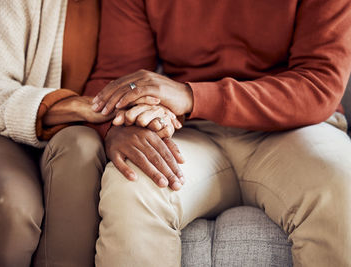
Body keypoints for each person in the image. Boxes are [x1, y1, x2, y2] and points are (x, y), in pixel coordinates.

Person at [85, 0, 351, 266]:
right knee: (131, 186)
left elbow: (318, 83)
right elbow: (116, 77)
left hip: (299, 126)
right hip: (190, 131)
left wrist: (191, 96)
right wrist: (113, 128)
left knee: (340, 182)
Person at [0, 0, 179, 266]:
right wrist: (77, 106)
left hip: (75, 136)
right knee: (13, 208)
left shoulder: (149, 7)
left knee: (83, 147)